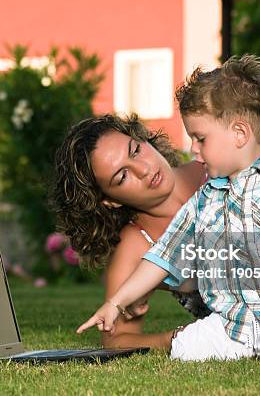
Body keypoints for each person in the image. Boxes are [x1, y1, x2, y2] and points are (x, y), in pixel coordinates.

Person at [76, 55, 260, 365]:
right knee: (189, 348)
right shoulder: (205, 198)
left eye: (200, 139)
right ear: (109, 199)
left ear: (239, 134)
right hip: (240, 318)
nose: (194, 150)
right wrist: (116, 303)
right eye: (122, 175)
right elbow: (160, 258)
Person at [53, 113, 208, 349]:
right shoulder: (135, 245)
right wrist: (181, 338)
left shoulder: (217, 169)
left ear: (143, 138)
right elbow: (115, 340)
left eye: (135, 151)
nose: (143, 170)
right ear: (110, 201)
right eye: (122, 176)